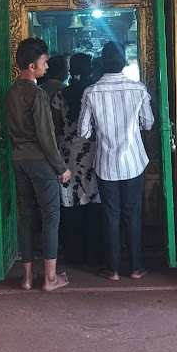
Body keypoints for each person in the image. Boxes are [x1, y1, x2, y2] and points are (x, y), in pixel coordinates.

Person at [78, 41, 154, 281]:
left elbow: (83, 132)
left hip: (106, 164)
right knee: (132, 212)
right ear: (123, 63)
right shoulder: (138, 89)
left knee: (110, 214)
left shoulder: (91, 92)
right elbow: (149, 123)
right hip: (133, 162)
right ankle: (136, 267)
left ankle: (112, 269)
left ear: (102, 64)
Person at [4, 38, 71, 291]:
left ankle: (28, 278)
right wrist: (61, 167)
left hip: (19, 160)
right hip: (40, 162)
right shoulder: (38, 94)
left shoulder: (11, 93)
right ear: (31, 66)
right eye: (43, 63)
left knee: (26, 217)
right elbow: (46, 136)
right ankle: (51, 279)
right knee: (51, 217)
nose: (46, 67)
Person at [51, 53, 103, 266]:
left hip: (67, 155)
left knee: (70, 203)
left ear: (70, 70)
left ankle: (73, 255)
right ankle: (94, 254)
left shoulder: (60, 96)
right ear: (90, 69)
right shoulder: (93, 94)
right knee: (92, 201)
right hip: (91, 154)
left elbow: (54, 128)